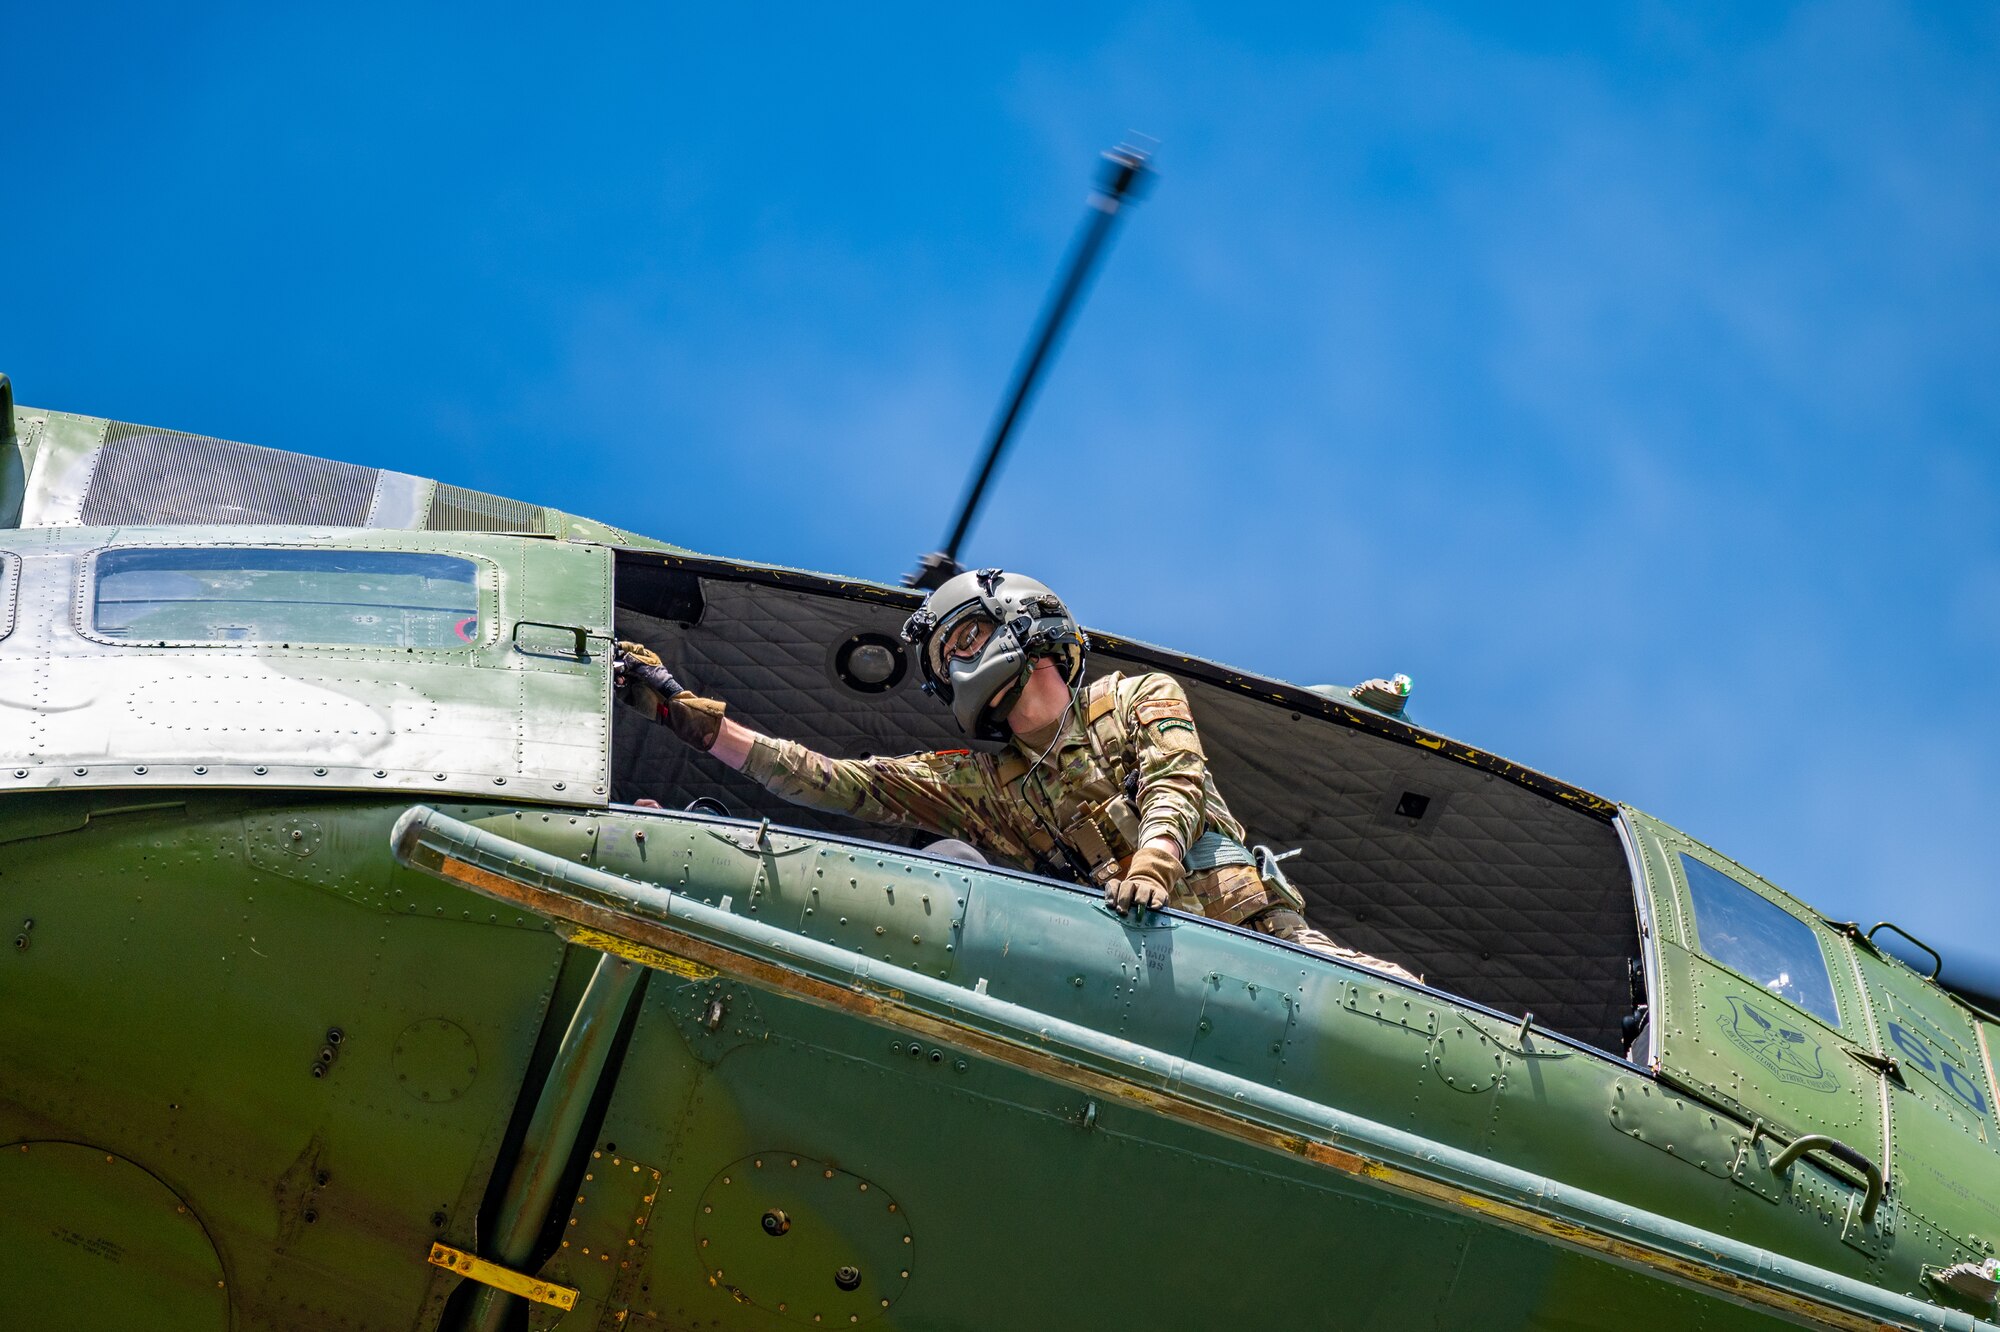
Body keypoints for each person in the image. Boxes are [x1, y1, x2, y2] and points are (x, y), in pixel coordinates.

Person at [617, 568, 1420, 983]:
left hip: (1256, 945)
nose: (960, 660)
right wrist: (696, 722)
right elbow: (832, 780)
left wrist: (1151, 863)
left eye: (966, 636)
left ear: (1025, 621)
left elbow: (1176, 780)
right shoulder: (980, 781)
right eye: (946, 659)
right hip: (1133, 967)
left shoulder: (1137, 696)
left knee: (1392, 999)